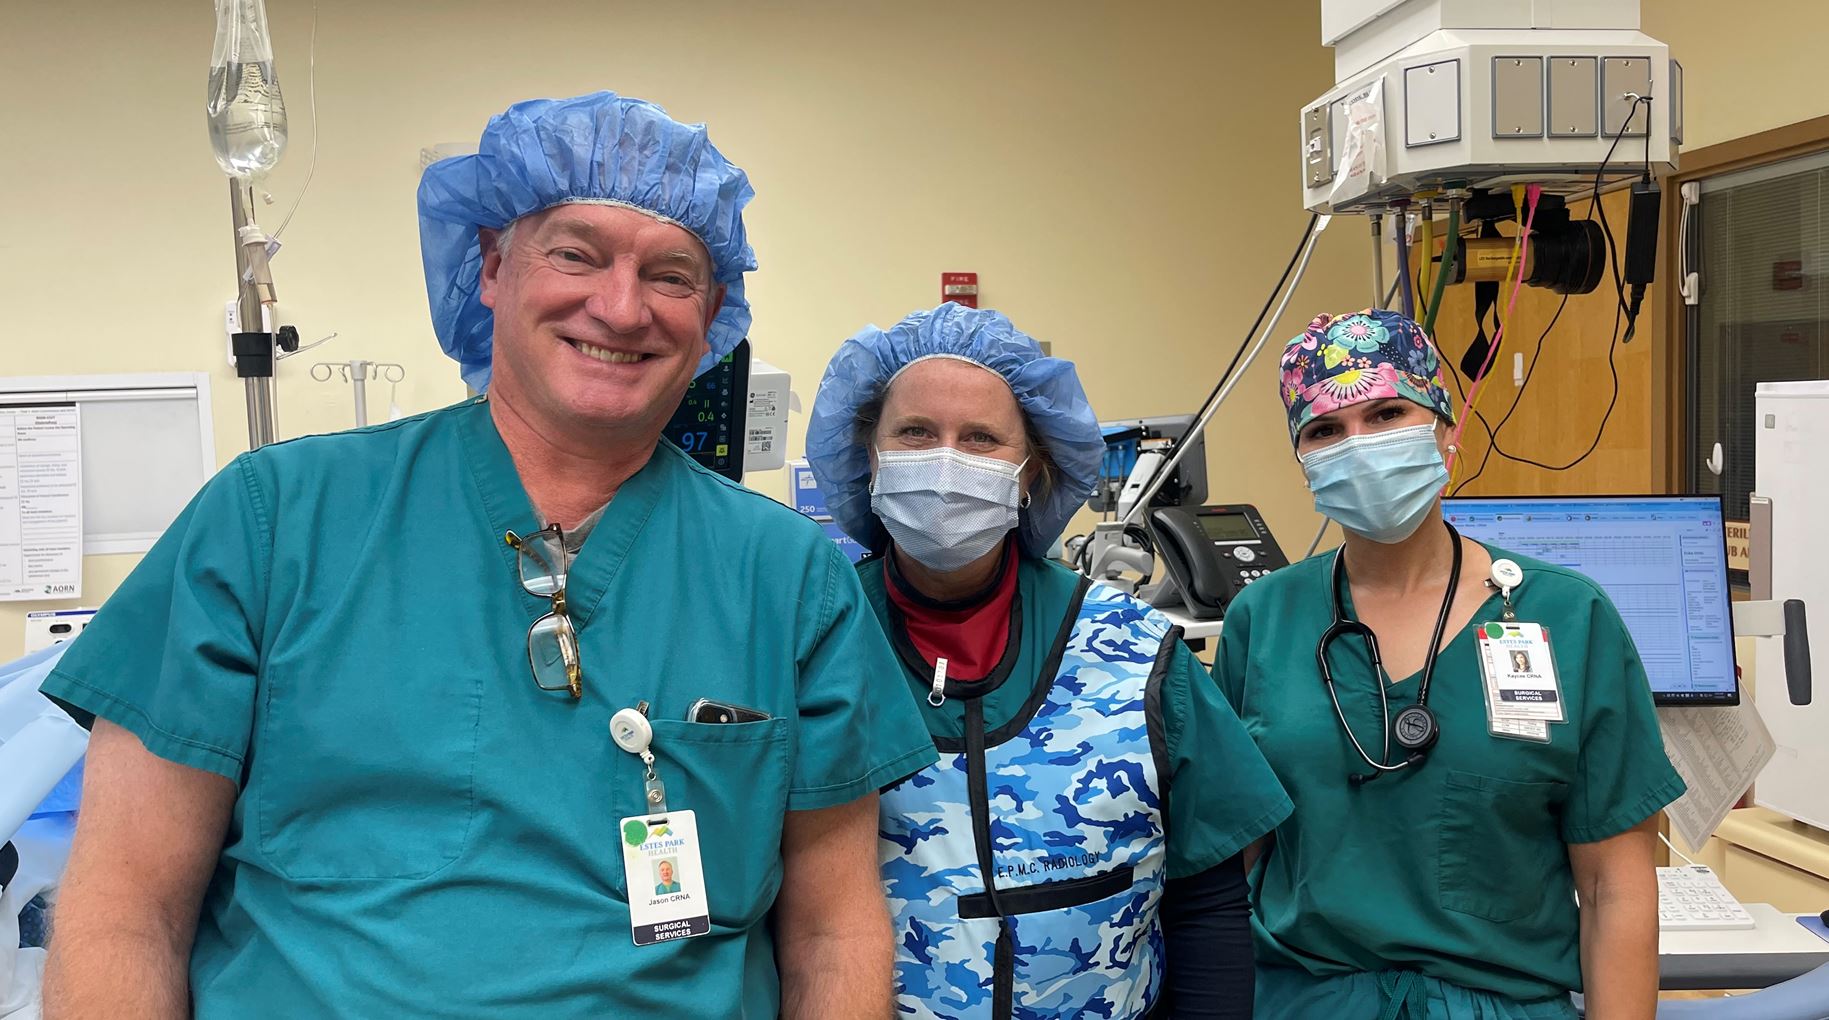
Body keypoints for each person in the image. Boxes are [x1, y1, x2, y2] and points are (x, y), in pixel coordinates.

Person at [39, 92, 935, 1019]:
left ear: (713, 316)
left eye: (671, 276)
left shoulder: (786, 578)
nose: (620, 308)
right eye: (575, 254)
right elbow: (124, 909)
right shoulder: (271, 523)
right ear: (494, 266)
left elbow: (832, 932)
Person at [805, 304, 1292, 1019]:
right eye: (915, 433)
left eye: (981, 439)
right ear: (867, 457)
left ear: (1032, 471)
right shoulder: (814, 642)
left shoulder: (1131, 652)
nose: (946, 463)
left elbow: (1208, 896)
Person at [1213, 309, 1685, 1020]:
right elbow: (1229, 869)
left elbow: (1614, 890)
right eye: (1324, 431)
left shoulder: (1565, 617)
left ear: (1445, 431)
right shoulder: (1263, 619)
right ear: (1303, 459)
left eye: (1386, 413)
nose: (1358, 445)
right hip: (1300, 1002)